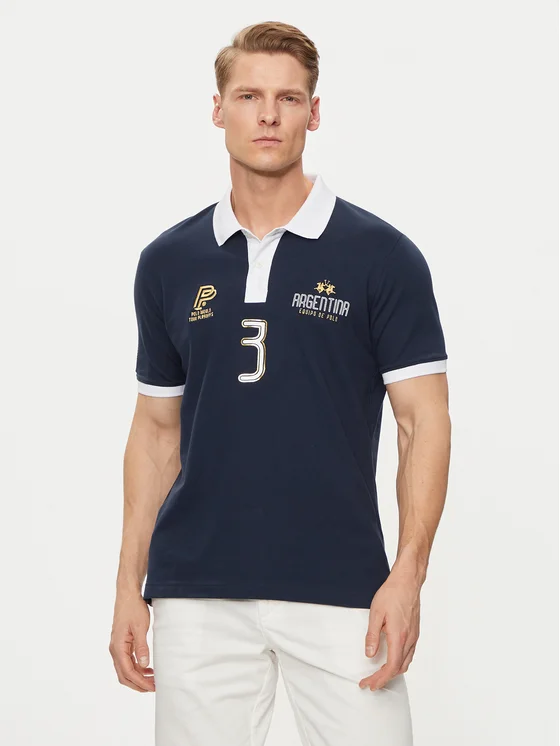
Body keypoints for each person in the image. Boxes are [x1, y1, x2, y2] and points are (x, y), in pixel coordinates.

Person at [109, 20, 451, 746]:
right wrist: (127, 586)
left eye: (288, 98)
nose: (268, 115)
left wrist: (408, 575)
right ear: (218, 109)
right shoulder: (168, 262)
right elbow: (156, 433)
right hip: (196, 592)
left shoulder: (381, 257)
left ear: (313, 113)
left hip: (342, 588)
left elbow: (422, 423)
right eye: (249, 96)